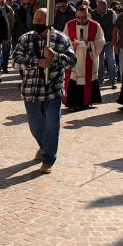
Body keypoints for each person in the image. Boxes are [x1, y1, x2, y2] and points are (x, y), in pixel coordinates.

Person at [13, 9, 77, 174]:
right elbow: (16, 61)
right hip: (31, 90)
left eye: (41, 19)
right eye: (35, 18)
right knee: (35, 126)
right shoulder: (26, 38)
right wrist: (37, 62)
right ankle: (44, 146)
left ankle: (48, 159)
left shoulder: (61, 39)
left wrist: (55, 57)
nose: (37, 21)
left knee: (52, 125)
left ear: (49, 20)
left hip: (52, 91)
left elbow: (71, 61)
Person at [64, 6, 105, 110]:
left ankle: (87, 102)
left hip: (89, 58)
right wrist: (71, 44)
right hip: (75, 58)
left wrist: (89, 44)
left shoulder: (95, 26)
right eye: (78, 17)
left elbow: (101, 41)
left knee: (89, 79)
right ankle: (74, 103)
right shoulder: (69, 25)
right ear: (76, 15)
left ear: (88, 15)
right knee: (74, 80)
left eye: (84, 17)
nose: (81, 20)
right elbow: (64, 39)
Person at [91, 0, 118, 89]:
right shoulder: (92, 14)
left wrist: (115, 41)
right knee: (99, 62)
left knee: (111, 60)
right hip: (98, 42)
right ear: (97, 6)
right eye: (101, 6)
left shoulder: (112, 13)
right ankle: (99, 81)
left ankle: (113, 80)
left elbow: (116, 27)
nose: (103, 8)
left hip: (109, 41)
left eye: (104, 6)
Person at [0, 0, 15, 73]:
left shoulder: (9, 10)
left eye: (3, 2)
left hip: (7, 34)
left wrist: (11, 32)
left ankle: (4, 66)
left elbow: (12, 22)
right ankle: (0, 65)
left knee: (6, 51)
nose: (1, 4)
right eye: (0, 2)